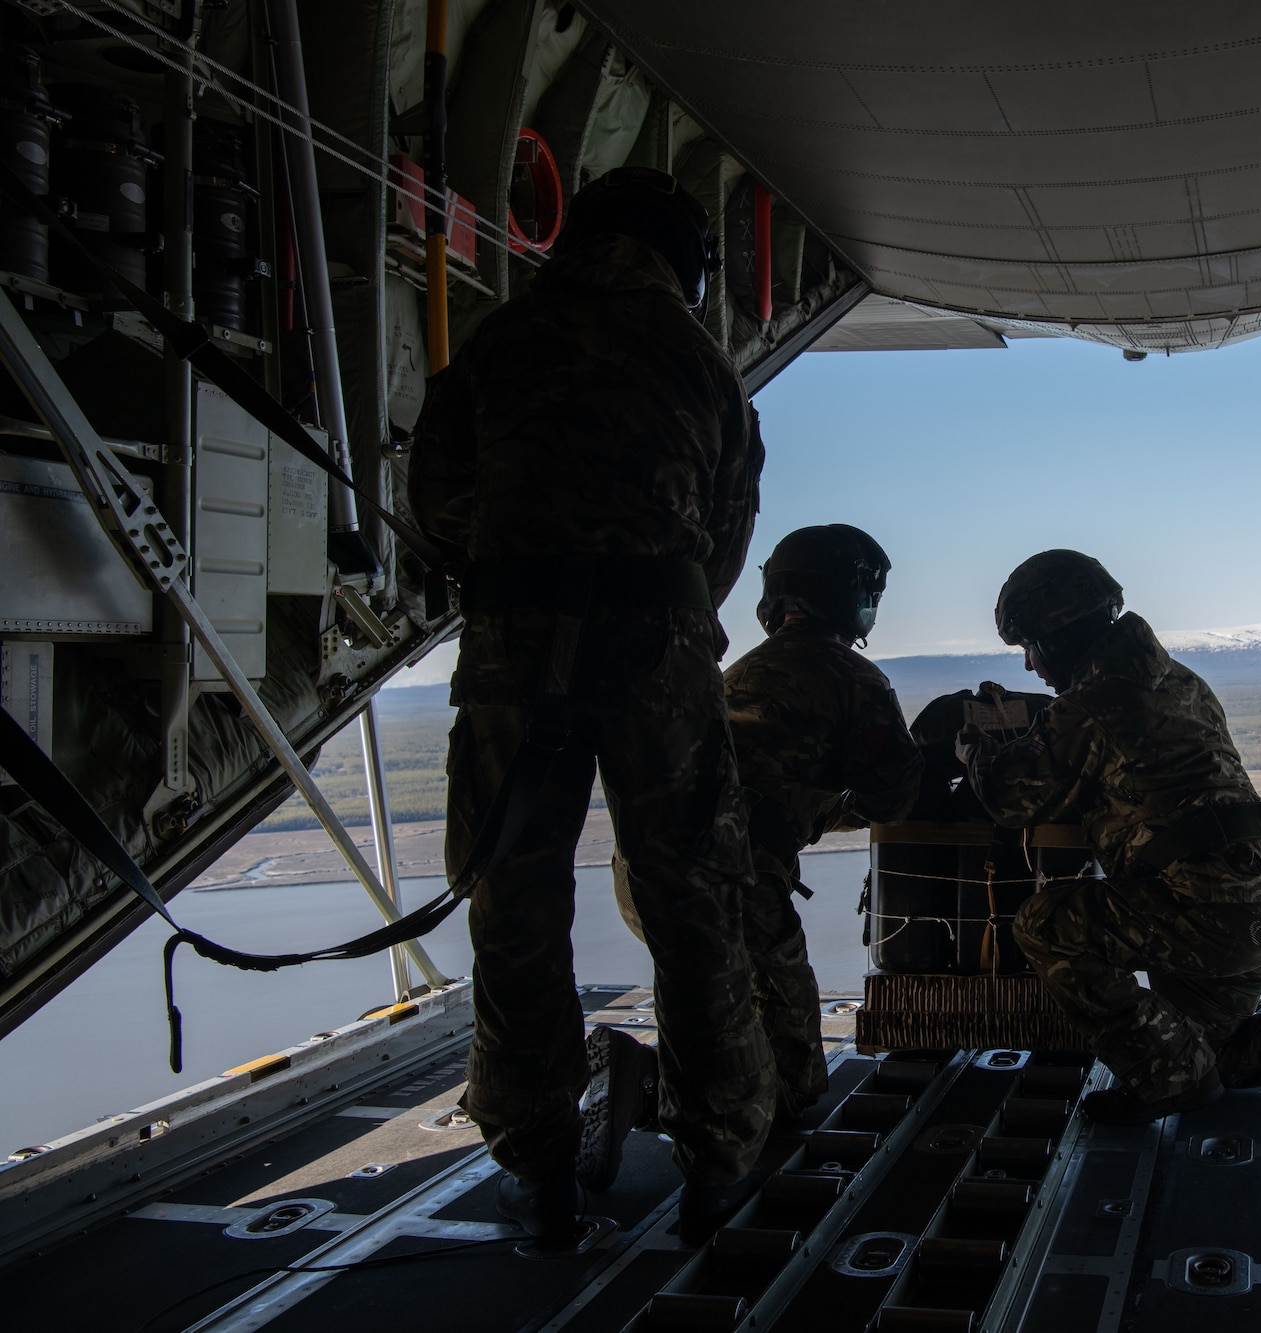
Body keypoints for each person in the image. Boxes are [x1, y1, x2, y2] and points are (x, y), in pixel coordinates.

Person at [411, 167, 773, 1245]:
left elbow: (439, 504)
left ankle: (537, 1168)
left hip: (514, 651)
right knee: (691, 902)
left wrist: (525, 573)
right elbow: (722, 538)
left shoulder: (500, 341)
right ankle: (720, 1157)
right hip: (656, 654)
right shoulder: (704, 365)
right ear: (685, 261)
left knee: (513, 906)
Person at [955, 550, 1261, 1124]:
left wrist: (976, 752)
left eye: (1030, 647)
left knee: (1044, 926)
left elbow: (1010, 799)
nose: (1029, 666)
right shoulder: (1179, 681)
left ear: (1060, 636)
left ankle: (1165, 1087)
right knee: (1205, 1055)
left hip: (1203, 912)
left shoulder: (1093, 704)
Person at [619, 524, 922, 1120]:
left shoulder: (739, 673)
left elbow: (772, 784)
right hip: (734, 883)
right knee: (795, 1073)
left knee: (711, 1009)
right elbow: (894, 798)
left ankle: (665, 1086)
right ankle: (649, 1088)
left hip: (643, 871)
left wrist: (814, 806)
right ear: (850, 593)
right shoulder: (852, 678)